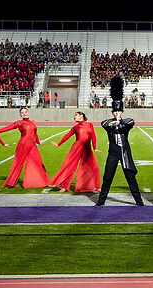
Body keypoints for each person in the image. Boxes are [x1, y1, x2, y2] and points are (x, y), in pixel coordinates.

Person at [96, 76, 144, 206]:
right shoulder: (109, 124)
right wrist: (114, 122)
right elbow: (103, 123)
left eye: (119, 111)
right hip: (113, 153)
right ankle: (101, 201)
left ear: (122, 112)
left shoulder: (125, 123)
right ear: (112, 112)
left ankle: (139, 201)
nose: (117, 113)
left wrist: (119, 121)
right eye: (115, 111)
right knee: (107, 177)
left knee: (130, 177)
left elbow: (131, 122)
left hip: (124, 153)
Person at [0, 107, 50, 188]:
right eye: (22, 112)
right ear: (20, 114)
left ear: (28, 112)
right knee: (19, 164)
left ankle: (44, 182)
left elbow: (35, 133)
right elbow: (7, 128)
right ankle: (11, 183)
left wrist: (38, 142)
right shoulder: (19, 123)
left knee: (39, 163)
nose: (24, 114)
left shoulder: (33, 122)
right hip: (23, 145)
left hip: (33, 146)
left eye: (25, 112)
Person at [50, 111, 102, 193]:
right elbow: (67, 136)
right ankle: (64, 185)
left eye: (76, 115)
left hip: (87, 148)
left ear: (81, 116)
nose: (74, 117)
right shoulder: (75, 127)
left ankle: (97, 186)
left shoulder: (90, 125)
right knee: (70, 166)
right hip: (77, 147)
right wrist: (58, 144)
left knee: (94, 167)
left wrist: (95, 148)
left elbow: (93, 136)